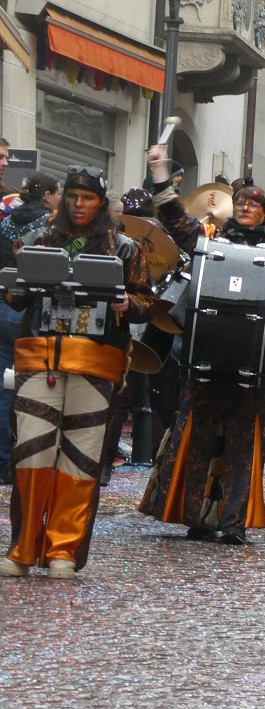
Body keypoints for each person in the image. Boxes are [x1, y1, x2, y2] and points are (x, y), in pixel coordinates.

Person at [139, 144, 265, 543]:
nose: (245, 208)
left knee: (245, 444)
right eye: (241, 202)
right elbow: (173, 220)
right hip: (205, 359)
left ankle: (233, 523)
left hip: (255, 363)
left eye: (255, 205)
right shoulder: (208, 237)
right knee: (198, 436)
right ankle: (196, 516)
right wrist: (160, 173)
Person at [0, 166, 153, 578]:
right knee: (32, 452)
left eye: (88, 198)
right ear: (64, 199)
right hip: (40, 357)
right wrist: (16, 282)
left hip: (94, 362)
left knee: (80, 459)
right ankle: (23, 549)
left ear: (100, 202)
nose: (80, 204)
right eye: (73, 197)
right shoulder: (36, 240)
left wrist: (128, 305)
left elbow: (147, 300)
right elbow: (14, 299)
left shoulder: (124, 248)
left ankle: (63, 549)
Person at [0, 173, 60, 484]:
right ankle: (21, 461)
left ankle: (3, 459)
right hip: (31, 311)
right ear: (48, 196)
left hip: (4, 301)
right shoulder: (47, 227)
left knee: (3, 389)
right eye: (59, 193)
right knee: (30, 388)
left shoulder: (6, 221)